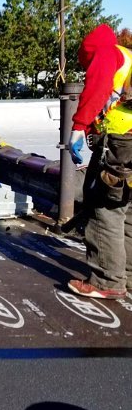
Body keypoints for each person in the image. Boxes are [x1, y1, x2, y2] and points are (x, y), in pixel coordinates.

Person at [66, 24, 132, 300]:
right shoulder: (128, 56)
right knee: (125, 209)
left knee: (103, 207)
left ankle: (107, 279)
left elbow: (97, 88)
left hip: (119, 145)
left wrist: (79, 126)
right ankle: (126, 274)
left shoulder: (107, 53)